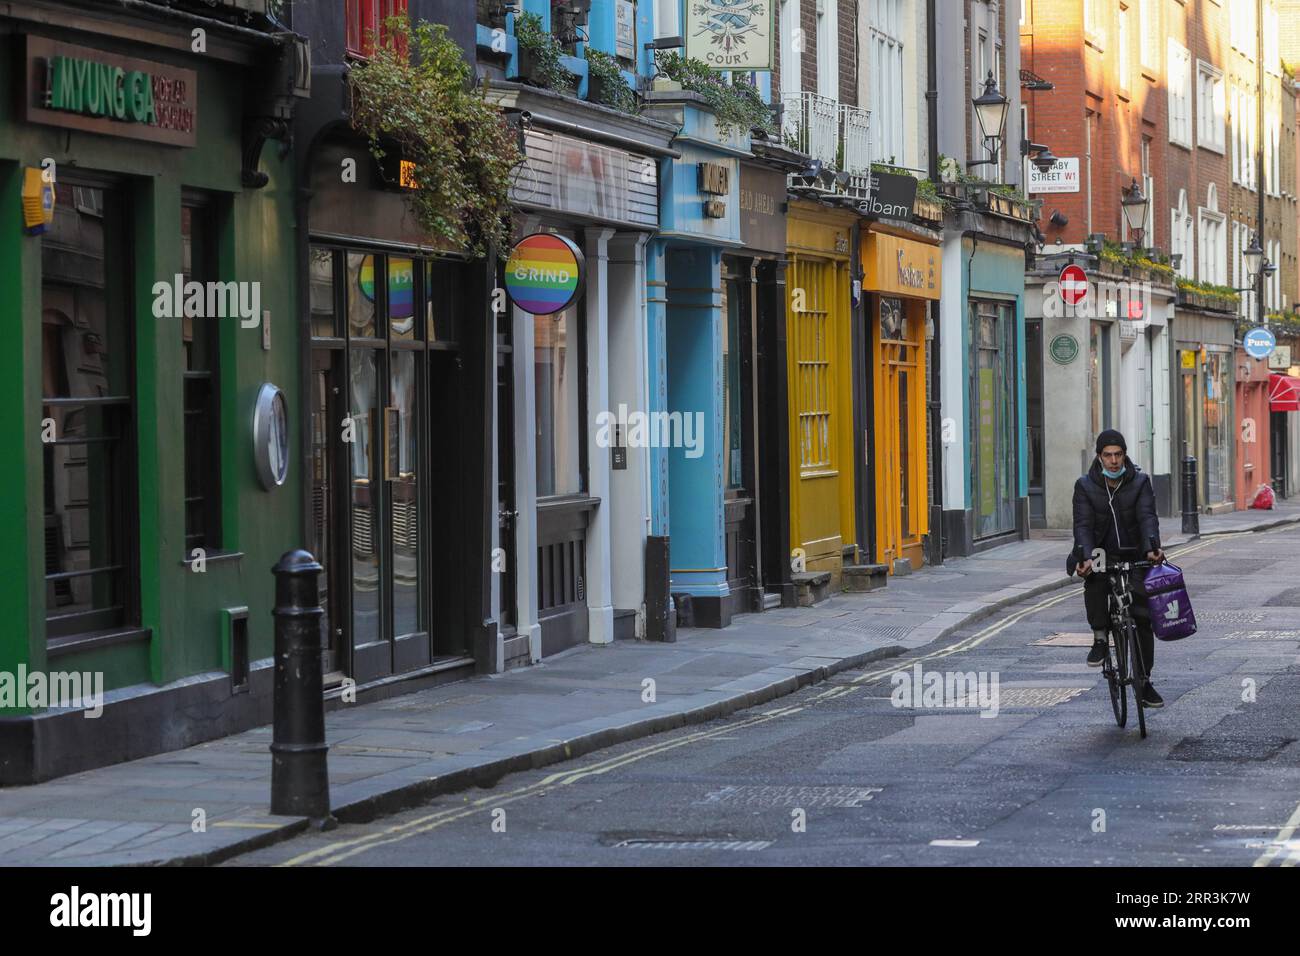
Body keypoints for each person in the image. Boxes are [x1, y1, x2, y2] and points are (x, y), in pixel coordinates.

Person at [1068, 429, 1166, 708]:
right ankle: (1100, 637)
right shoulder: (1085, 486)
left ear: (1125, 455)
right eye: (1108, 455)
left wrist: (1151, 547)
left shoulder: (1140, 482)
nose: (1113, 461)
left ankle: (1145, 681)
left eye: (1118, 455)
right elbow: (1083, 525)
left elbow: (1148, 517)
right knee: (1096, 582)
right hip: (1100, 550)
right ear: (1099, 457)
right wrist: (1085, 556)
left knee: (1143, 616)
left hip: (1135, 552)